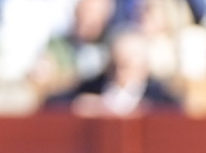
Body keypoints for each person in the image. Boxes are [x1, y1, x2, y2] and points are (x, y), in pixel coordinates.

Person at [43, 28, 181, 114]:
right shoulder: (92, 87)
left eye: (125, 66)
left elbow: (176, 116)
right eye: (114, 65)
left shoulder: (159, 97)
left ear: (144, 68)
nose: (118, 73)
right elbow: (53, 104)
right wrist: (80, 105)